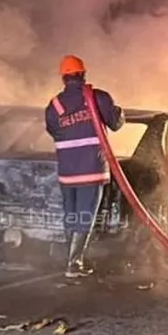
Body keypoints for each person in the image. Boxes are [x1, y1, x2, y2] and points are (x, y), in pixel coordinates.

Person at [45, 54, 124, 278]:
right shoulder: (98, 98)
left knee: (70, 215)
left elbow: (54, 131)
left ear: (63, 78)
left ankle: (70, 260)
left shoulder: (54, 105)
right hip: (91, 170)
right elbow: (116, 123)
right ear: (83, 74)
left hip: (67, 172)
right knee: (85, 217)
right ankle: (74, 264)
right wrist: (120, 113)